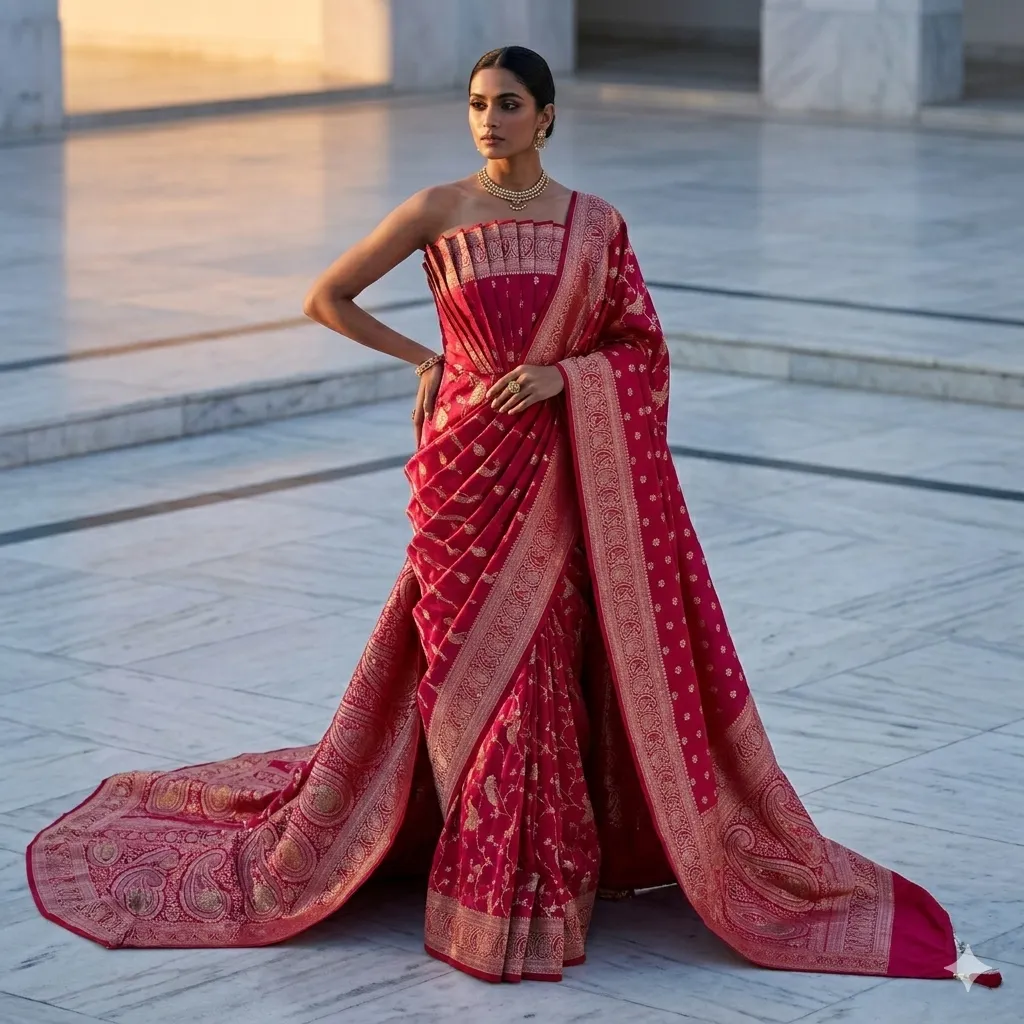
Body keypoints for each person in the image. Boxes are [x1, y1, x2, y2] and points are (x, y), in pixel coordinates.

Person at [27, 46, 1001, 989]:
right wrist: (424, 359)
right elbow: (327, 297)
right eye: (476, 103)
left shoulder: (595, 225)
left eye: (506, 103)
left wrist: (562, 377)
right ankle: (486, 876)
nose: (488, 119)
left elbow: (642, 350)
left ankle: (542, 887)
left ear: (546, 116)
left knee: (543, 671)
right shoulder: (435, 209)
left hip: (559, 475)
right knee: (465, 682)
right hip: (461, 474)